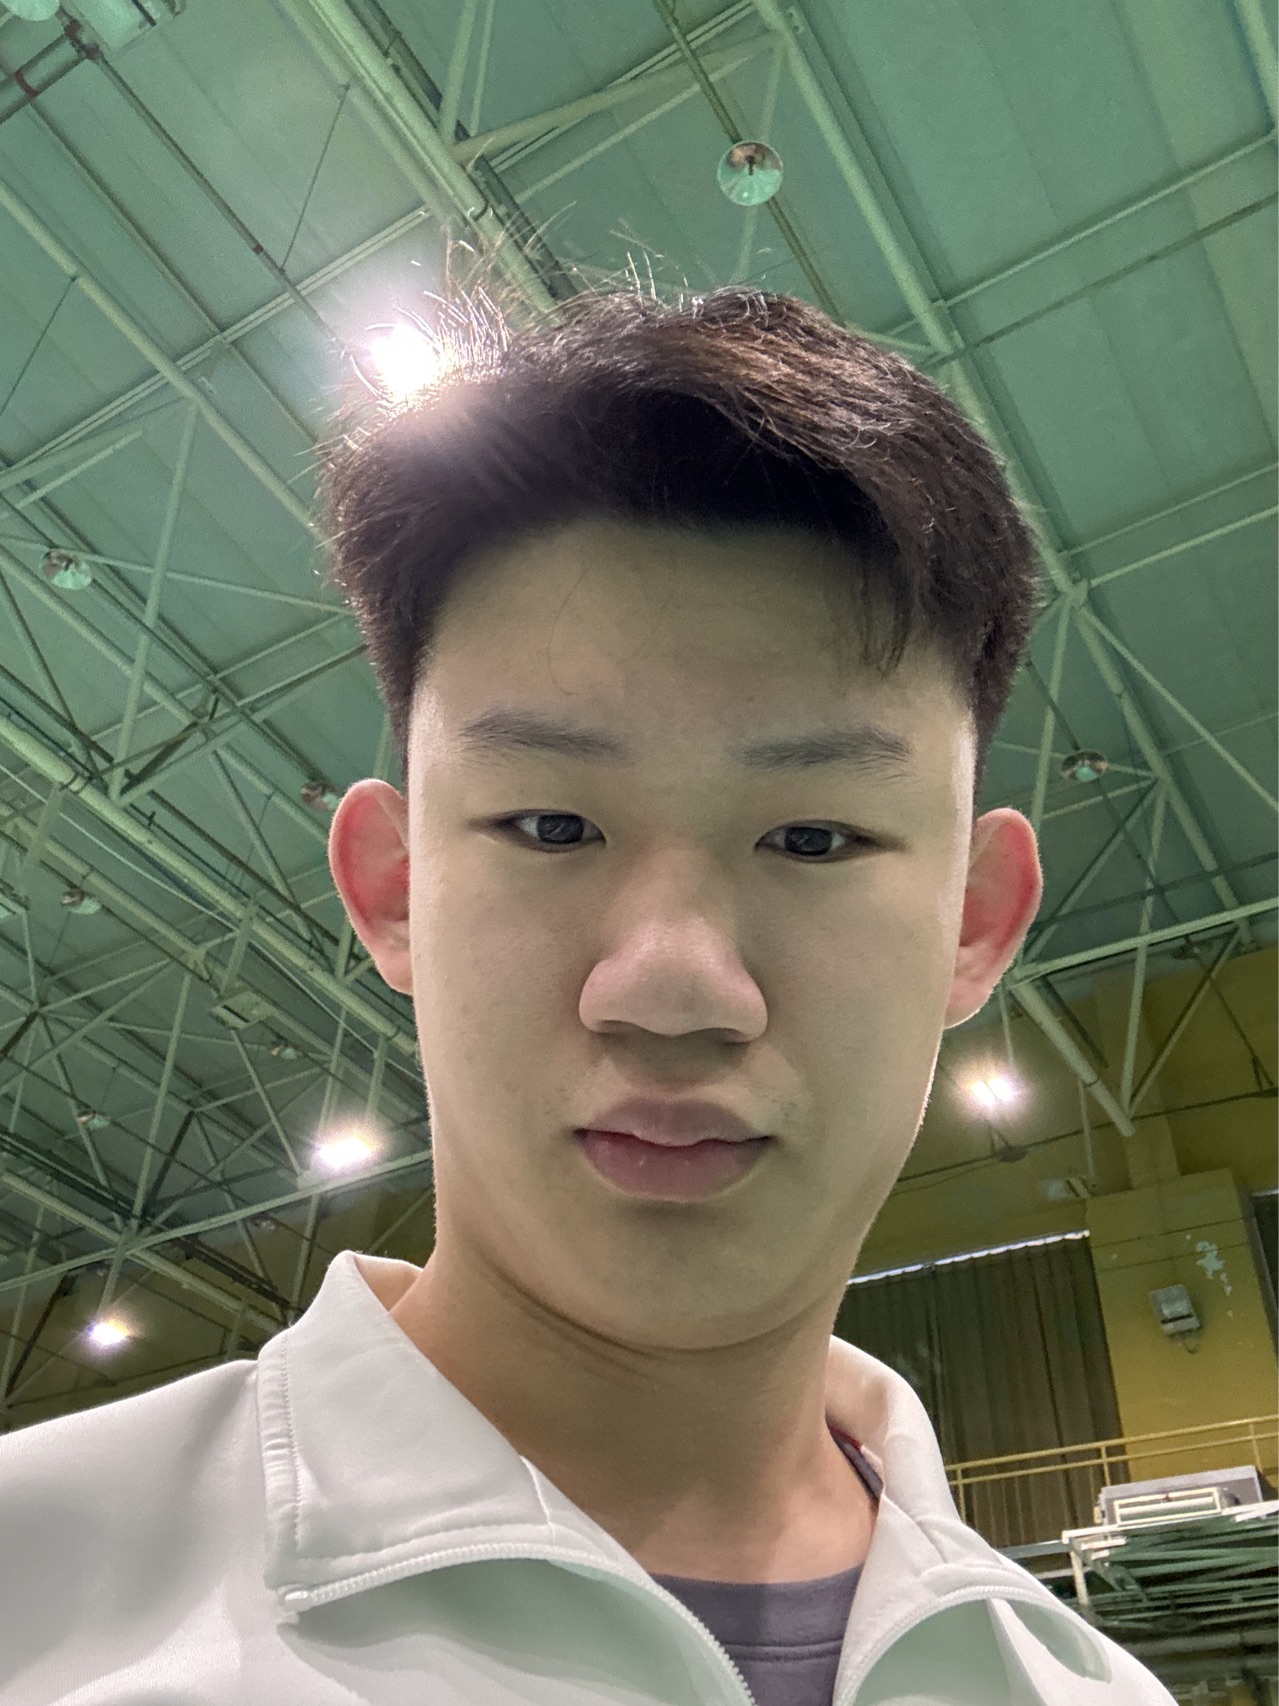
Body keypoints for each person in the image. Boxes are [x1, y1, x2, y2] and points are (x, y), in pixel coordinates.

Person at [0, 288, 1175, 1705]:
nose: (672, 988)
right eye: (552, 826)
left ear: (975, 923)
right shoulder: (42, 1599)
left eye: (814, 838)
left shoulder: (1083, 1690)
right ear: (391, 889)